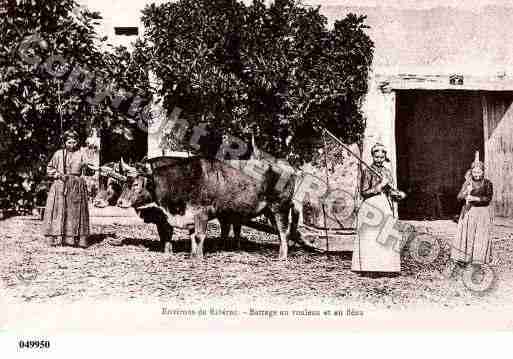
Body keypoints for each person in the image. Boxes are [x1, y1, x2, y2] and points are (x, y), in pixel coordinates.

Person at [351, 143, 406, 275]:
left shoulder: (387, 172)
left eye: (382, 157)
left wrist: (398, 194)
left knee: (386, 233)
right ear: (373, 156)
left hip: (385, 204)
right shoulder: (367, 171)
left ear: (385, 157)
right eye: (377, 157)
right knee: (371, 235)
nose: (379, 159)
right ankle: (370, 267)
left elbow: (391, 191)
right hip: (371, 205)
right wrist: (380, 185)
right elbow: (364, 192)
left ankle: (386, 267)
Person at [43, 130, 92, 248]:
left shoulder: (81, 154)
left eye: (74, 142)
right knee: (59, 209)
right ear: (65, 142)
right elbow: (49, 169)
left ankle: (73, 238)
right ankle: (57, 236)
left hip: (76, 186)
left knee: (75, 211)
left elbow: (88, 169)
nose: (72, 145)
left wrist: (88, 169)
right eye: (69, 142)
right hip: (61, 185)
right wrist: (58, 175)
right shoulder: (59, 154)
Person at [451, 158, 493, 266]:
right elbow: (459, 197)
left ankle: (478, 259)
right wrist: (466, 192)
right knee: (467, 235)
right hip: (469, 211)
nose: (476, 174)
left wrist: (475, 198)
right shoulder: (468, 183)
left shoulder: (487, 183)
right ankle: (465, 258)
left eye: (479, 172)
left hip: (482, 213)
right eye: (474, 172)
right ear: (471, 172)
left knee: (480, 235)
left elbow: (488, 199)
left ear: (483, 172)